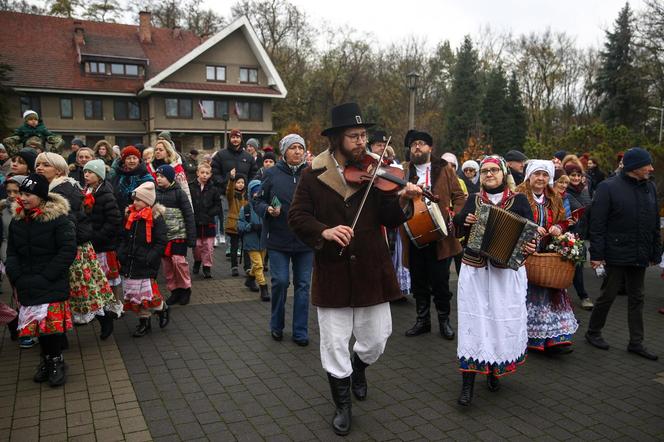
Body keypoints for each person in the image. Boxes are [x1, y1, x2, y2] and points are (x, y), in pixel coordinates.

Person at [288, 103, 422, 436]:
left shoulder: (376, 171)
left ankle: (359, 367)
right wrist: (324, 230)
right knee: (334, 344)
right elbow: (297, 217)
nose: (362, 141)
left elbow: (390, 217)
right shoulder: (313, 174)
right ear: (336, 138)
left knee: (377, 338)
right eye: (354, 136)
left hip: (371, 269)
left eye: (364, 135)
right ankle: (343, 405)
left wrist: (404, 199)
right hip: (332, 270)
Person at [452, 155, 536, 406]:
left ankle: (493, 371)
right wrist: (463, 222)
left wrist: (531, 244)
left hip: (505, 274)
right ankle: (467, 384)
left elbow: (531, 232)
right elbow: (455, 227)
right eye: (484, 171)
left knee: (499, 323)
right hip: (476, 271)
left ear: (502, 173)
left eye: (493, 170)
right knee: (474, 324)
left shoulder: (519, 200)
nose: (489, 174)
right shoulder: (473, 200)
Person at [586, 147, 661, 360]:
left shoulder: (650, 188)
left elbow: (654, 222)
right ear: (634, 167)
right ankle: (593, 332)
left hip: (640, 252)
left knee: (637, 297)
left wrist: (656, 250)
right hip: (615, 253)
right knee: (608, 295)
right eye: (648, 164)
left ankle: (636, 342)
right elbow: (597, 225)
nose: (651, 168)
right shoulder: (608, 187)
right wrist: (597, 255)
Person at [6, 173, 77, 387]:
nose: (23, 198)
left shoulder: (59, 219)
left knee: (50, 327)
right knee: (37, 327)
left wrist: (46, 276)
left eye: (28, 194)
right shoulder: (18, 220)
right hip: (26, 281)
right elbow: (12, 252)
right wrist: (16, 275)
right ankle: (46, 360)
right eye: (21, 194)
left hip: (51, 280)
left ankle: (57, 361)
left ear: (41, 196)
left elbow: (67, 250)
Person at [35, 153, 117, 336]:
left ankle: (105, 317)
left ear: (58, 169)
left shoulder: (64, 189)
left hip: (74, 247)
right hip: (64, 246)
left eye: (45, 165)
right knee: (72, 290)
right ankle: (61, 334)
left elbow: (67, 223)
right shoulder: (50, 187)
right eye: (38, 164)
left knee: (82, 289)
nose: (39, 168)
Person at [402, 134, 466, 340]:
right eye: (413, 145)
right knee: (418, 281)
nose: (417, 147)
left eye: (421, 143)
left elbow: (459, 196)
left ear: (430, 147)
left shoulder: (444, 168)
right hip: (414, 234)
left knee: (440, 282)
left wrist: (454, 217)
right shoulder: (404, 171)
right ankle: (422, 321)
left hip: (441, 236)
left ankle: (444, 321)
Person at [255, 134, 313, 345]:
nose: (297, 151)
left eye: (301, 147)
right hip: (278, 239)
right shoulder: (271, 174)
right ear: (284, 152)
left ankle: (300, 331)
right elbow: (257, 200)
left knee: (303, 285)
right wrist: (267, 209)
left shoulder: (311, 174)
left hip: (305, 241)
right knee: (280, 282)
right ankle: (276, 325)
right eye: (293, 148)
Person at [516, 160, 578, 354]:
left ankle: (554, 337)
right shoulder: (518, 195)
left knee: (551, 290)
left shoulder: (554, 197)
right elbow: (511, 220)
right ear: (529, 176)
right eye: (537, 174)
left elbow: (565, 219)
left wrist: (559, 227)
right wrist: (531, 229)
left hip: (548, 255)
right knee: (531, 294)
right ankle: (531, 337)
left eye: (544, 175)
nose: (541, 179)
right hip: (525, 253)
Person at [118, 181, 169, 337]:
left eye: (138, 200)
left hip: (145, 262)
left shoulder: (155, 218)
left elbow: (161, 241)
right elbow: (124, 237)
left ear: (147, 201)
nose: (135, 203)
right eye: (134, 200)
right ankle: (144, 323)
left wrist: (151, 256)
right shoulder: (130, 216)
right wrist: (121, 253)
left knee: (146, 295)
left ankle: (162, 308)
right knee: (135, 296)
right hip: (131, 261)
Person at [82, 159, 124, 338]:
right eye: (85, 172)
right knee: (98, 278)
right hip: (94, 242)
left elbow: (114, 220)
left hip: (104, 244)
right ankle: (103, 307)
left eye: (90, 172)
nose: (86, 175)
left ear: (99, 176)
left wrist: (98, 235)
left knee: (110, 277)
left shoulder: (106, 193)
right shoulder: (87, 191)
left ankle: (115, 305)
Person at [155, 165, 196, 306]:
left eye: (162, 176)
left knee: (179, 262)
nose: (159, 179)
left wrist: (191, 237)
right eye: (157, 176)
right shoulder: (156, 193)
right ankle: (174, 290)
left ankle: (185, 289)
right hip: (163, 236)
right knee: (167, 265)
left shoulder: (179, 193)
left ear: (170, 177)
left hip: (179, 235)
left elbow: (189, 215)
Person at [562, 155, 594, 310]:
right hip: (567, 234)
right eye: (572, 175)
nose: (575, 178)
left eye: (578, 175)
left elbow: (589, 209)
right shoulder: (563, 191)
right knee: (569, 267)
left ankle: (579, 295)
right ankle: (581, 295)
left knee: (579, 265)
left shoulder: (585, 190)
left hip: (582, 233)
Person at [238, 180, 269, 301]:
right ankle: (263, 287)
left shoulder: (265, 206)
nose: (257, 194)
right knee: (259, 265)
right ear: (250, 193)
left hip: (263, 241)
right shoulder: (245, 209)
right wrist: (250, 226)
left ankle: (250, 279)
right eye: (254, 192)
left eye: (259, 192)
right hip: (251, 241)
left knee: (257, 265)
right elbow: (240, 225)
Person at [189, 163, 221, 279]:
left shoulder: (213, 189)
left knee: (208, 246)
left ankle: (207, 266)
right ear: (197, 173)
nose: (204, 175)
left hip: (208, 222)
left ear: (210, 175)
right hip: (195, 222)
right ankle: (197, 261)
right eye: (202, 173)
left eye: (207, 173)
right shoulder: (190, 187)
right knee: (197, 246)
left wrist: (209, 213)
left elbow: (218, 206)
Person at [111, 146, 154, 214]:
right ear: (124, 161)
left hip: (139, 215)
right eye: (128, 158)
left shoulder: (145, 177)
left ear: (139, 160)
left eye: (134, 158)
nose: (132, 161)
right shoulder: (117, 176)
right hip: (118, 214)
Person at [148, 139, 192, 204]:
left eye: (161, 150)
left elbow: (184, 189)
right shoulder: (149, 167)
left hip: (172, 204)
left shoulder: (176, 168)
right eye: (156, 150)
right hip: (153, 203)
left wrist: (189, 207)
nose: (157, 152)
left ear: (168, 152)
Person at [225, 169, 248, 277]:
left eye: (242, 182)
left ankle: (247, 267)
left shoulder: (247, 196)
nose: (240, 185)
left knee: (247, 247)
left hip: (245, 225)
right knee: (234, 247)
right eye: (238, 182)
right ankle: (234, 267)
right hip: (234, 224)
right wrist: (232, 179)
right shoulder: (232, 196)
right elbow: (229, 190)